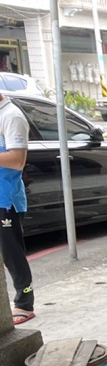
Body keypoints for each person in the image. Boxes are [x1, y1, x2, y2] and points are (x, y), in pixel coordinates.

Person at [0, 92, 32, 325]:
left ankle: (24, 303)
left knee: (11, 253)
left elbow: (17, 160)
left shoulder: (12, 117)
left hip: (6, 198)